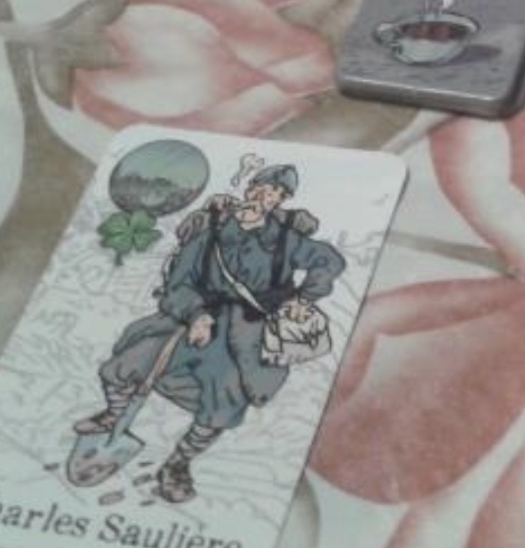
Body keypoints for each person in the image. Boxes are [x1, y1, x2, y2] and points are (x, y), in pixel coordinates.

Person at [74, 164, 346, 503]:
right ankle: (114, 414)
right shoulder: (212, 230)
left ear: (280, 201)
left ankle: (178, 463)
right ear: (250, 188)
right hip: (193, 320)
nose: (266, 196)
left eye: (276, 193)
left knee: (226, 401)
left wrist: (304, 298)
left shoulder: (285, 240)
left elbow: (329, 261)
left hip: (247, 334)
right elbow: (178, 283)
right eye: (262, 187)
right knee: (127, 363)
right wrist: (197, 316)